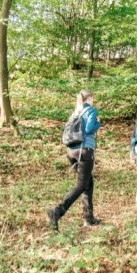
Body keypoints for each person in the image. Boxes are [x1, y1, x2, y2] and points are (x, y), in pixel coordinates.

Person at [47, 89, 102, 231]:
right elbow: (89, 129)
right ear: (89, 98)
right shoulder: (91, 111)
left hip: (72, 151)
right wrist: (98, 124)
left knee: (88, 183)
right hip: (85, 151)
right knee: (81, 185)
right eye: (92, 98)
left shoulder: (76, 112)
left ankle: (88, 218)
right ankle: (57, 211)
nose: (93, 100)